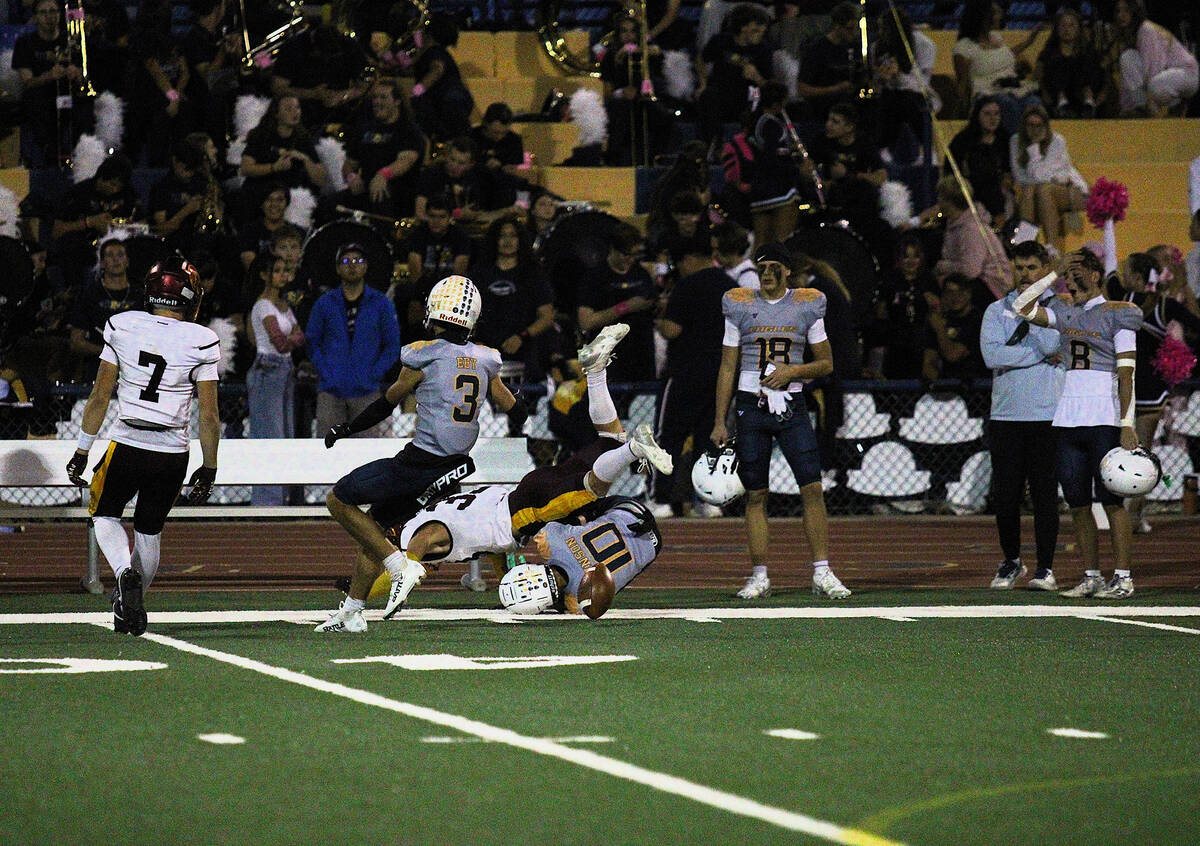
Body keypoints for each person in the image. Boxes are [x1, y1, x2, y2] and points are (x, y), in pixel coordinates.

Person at [318, 321, 673, 629]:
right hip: (517, 499)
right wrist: (506, 577)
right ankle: (596, 376)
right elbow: (489, 546)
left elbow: (424, 541)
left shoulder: (420, 529)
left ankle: (631, 446)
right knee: (605, 443)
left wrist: (404, 573)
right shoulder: (438, 509)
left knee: (593, 483)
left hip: (522, 510)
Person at [315, 275, 525, 632]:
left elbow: (387, 402)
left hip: (418, 463)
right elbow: (513, 408)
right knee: (374, 530)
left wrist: (347, 429)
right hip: (453, 469)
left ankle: (400, 567)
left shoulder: (423, 354)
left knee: (338, 500)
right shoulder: (487, 359)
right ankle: (352, 612)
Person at [64, 257, 220, 636]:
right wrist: (209, 466)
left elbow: (101, 395)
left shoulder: (123, 324)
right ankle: (129, 606)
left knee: (104, 515)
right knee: (149, 531)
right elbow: (209, 414)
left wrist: (83, 449)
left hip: (129, 440)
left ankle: (122, 576)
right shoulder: (202, 339)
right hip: (172, 452)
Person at [710, 242, 851, 600]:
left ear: (788, 270)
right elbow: (728, 365)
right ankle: (760, 575)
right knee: (756, 494)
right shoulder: (739, 304)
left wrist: (793, 371)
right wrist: (719, 420)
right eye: (763, 266)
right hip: (750, 403)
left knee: (812, 486)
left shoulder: (806, 304)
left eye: (775, 266)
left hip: (791, 403)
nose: (768, 272)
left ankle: (821, 570)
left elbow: (826, 363)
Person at [1014, 249, 1143, 599]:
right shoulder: (1065, 309)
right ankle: (1091, 576)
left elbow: (1126, 374)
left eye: (1077, 273)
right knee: (1078, 503)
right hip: (1069, 417)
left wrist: (1127, 423)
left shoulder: (1118, 315)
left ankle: (1123, 577)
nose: (1071, 280)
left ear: (1096, 274)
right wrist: (1052, 272)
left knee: (1113, 502)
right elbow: (1022, 307)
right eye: (1068, 275)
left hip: (1103, 416)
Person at [979, 240, 1063, 591]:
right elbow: (992, 357)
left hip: (1046, 415)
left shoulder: (1059, 310)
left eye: (1032, 268)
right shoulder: (996, 311)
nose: (1025, 274)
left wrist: (1036, 342)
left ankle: (1045, 567)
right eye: (1020, 267)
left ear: (1044, 269)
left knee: (1044, 494)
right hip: (1006, 416)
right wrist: (1038, 356)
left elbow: (1055, 346)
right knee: (1007, 495)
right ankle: (1012, 560)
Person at [1110, 251, 1200, 533]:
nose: (1123, 276)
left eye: (1128, 272)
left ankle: (1116, 512)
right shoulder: (1165, 305)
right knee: (1142, 452)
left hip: (1119, 388)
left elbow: (1110, 272)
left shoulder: (1119, 300)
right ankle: (1133, 515)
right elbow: (1197, 325)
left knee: (1115, 451)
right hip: (1150, 391)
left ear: (1136, 277)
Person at [649, 236, 736, 517]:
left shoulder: (687, 286)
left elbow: (672, 330)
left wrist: (661, 321)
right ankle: (708, 500)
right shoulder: (730, 286)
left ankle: (660, 498)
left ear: (687, 259)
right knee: (710, 437)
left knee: (668, 437)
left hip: (684, 373)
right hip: (721, 375)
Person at [305, 242, 402, 438]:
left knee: (367, 451)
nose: (352, 265)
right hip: (331, 390)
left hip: (367, 390)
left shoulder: (381, 303)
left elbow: (392, 345)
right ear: (338, 268)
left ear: (366, 266)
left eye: (358, 260)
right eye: (346, 260)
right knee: (327, 449)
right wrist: (326, 373)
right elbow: (312, 341)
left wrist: (374, 374)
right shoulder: (325, 303)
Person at [516, 495, 663, 618]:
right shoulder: (547, 540)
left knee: (608, 586)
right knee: (569, 513)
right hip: (631, 510)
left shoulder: (578, 603)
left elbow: (572, 604)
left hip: (652, 546)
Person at [246, 253, 304, 506]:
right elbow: (280, 343)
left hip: (284, 371)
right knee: (269, 437)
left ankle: (281, 499)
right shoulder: (263, 306)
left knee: (284, 437)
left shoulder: (284, 305)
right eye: (277, 270)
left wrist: (294, 339)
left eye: (286, 270)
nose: (283, 275)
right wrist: (295, 339)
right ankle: (266, 502)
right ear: (264, 275)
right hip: (268, 370)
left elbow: (300, 335)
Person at [576, 222, 660, 387]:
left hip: (641, 354)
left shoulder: (641, 274)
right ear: (612, 249)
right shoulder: (595, 277)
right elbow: (586, 321)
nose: (629, 259)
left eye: (634, 254)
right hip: (609, 357)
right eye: (625, 254)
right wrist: (626, 307)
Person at [952, 0, 1045, 132]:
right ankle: (1015, 145)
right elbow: (963, 83)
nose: (1000, 16)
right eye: (996, 13)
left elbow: (1005, 55)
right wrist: (961, 112)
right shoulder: (963, 47)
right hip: (987, 92)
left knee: (1034, 103)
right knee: (1007, 105)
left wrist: (1029, 41)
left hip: (1013, 89)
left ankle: (1035, 147)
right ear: (984, 18)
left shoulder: (996, 37)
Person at [343, 80, 426, 220]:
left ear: (397, 101)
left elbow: (405, 161)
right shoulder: (365, 129)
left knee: (380, 200)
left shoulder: (409, 130)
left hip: (397, 194)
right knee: (328, 204)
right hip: (366, 189)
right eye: (374, 97)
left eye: (383, 97)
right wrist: (351, 177)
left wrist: (383, 174)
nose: (377, 102)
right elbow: (349, 163)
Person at [1009, 105, 1087, 254]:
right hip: (1036, 192)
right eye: (1030, 125)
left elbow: (1041, 177)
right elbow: (1020, 177)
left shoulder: (1057, 141)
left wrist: (1034, 149)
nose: (1035, 130)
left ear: (1046, 126)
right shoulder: (1015, 141)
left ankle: (1051, 248)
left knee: (1042, 189)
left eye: (1039, 125)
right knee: (1032, 190)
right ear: (1023, 126)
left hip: (1071, 189)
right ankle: (1026, 248)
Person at [1113, 0, 1199, 117]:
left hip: (1187, 73)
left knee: (1155, 85)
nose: (1121, 15)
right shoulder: (1134, 33)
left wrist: (1152, 106)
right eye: (1118, 11)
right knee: (1127, 57)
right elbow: (1131, 78)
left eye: (1126, 10)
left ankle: (1176, 104)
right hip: (1168, 75)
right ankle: (1140, 109)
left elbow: (1155, 69)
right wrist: (1126, 107)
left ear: (1135, 12)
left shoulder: (1146, 30)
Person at [932, 176, 1011, 300]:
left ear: (950, 201)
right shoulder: (954, 225)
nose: (938, 201)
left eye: (941, 197)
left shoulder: (971, 228)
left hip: (990, 288)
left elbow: (971, 270)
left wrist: (943, 267)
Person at [409, 12, 475, 142]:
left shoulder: (434, 52)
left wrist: (416, 92)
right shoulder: (440, 53)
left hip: (449, 106)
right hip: (452, 105)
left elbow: (437, 70)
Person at [946, 96, 1012, 223]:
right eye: (987, 114)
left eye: (996, 114)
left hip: (999, 192)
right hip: (970, 191)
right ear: (977, 115)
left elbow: (1009, 170)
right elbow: (951, 171)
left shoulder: (1005, 140)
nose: (993, 119)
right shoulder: (962, 141)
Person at [795, 2, 862, 122]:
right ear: (837, 26)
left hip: (848, 112)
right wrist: (835, 89)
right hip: (821, 114)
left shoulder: (856, 47)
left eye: (857, 28)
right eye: (849, 29)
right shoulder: (816, 49)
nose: (854, 33)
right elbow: (802, 89)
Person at [1036, 7, 1103, 118]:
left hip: (1082, 95)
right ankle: (1062, 103)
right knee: (1057, 60)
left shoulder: (1089, 52)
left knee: (1086, 59)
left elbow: (1099, 77)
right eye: (1063, 25)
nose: (1067, 29)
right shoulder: (1049, 52)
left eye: (1071, 25)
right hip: (1056, 100)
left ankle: (1089, 103)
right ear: (1057, 29)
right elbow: (1039, 78)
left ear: (1079, 28)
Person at [922, 273, 988, 381]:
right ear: (943, 296)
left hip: (977, 388)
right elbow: (929, 361)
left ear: (969, 294)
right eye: (949, 292)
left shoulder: (978, 321)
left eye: (961, 292)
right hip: (947, 388)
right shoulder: (940, 320)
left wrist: (939, 330)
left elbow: (953, 355)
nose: (955, 297)